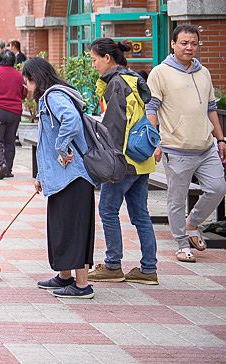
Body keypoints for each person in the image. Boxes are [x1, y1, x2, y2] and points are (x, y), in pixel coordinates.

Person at [145, 24, 226, 263]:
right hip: (176, 148)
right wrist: (155, 142)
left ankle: (192, 224)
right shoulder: (160, 72)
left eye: (194, 43)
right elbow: (152, 109)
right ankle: (181, 243)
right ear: (173, 44)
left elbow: (211, 108)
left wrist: (220, 139)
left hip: (206, 146)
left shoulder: (204, 73)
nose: (189, 47)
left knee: (218, 188)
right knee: (177, 199)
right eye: (184, 43)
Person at [23, 57, 96, 299]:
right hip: (61, 178)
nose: (25, 84)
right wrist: (41, 175)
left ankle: (82, 285)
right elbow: (45, 146)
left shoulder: (54, 96)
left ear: (36, 78)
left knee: (74, 229)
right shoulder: (51, 96)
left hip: (73, 178)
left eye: (27, 79)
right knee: (61, 228)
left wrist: (62, 147)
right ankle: (64, 276)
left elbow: (71, 121)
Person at [86, 39, 158, 285]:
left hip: (124, 160)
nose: (93, 64)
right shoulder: (131, 79)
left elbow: (113, 128)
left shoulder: (117, 83)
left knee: (107, 209)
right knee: (140, 215)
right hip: (142, 159)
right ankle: (148, 269)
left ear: (107, 58)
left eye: (94, 59)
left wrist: (106, 161)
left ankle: (113, 265)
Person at [0, 49, 26, 181]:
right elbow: (24, 94)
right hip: (14, 111)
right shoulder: (20, 76)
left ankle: (1, 164)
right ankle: (8, 169)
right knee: (10, 141)